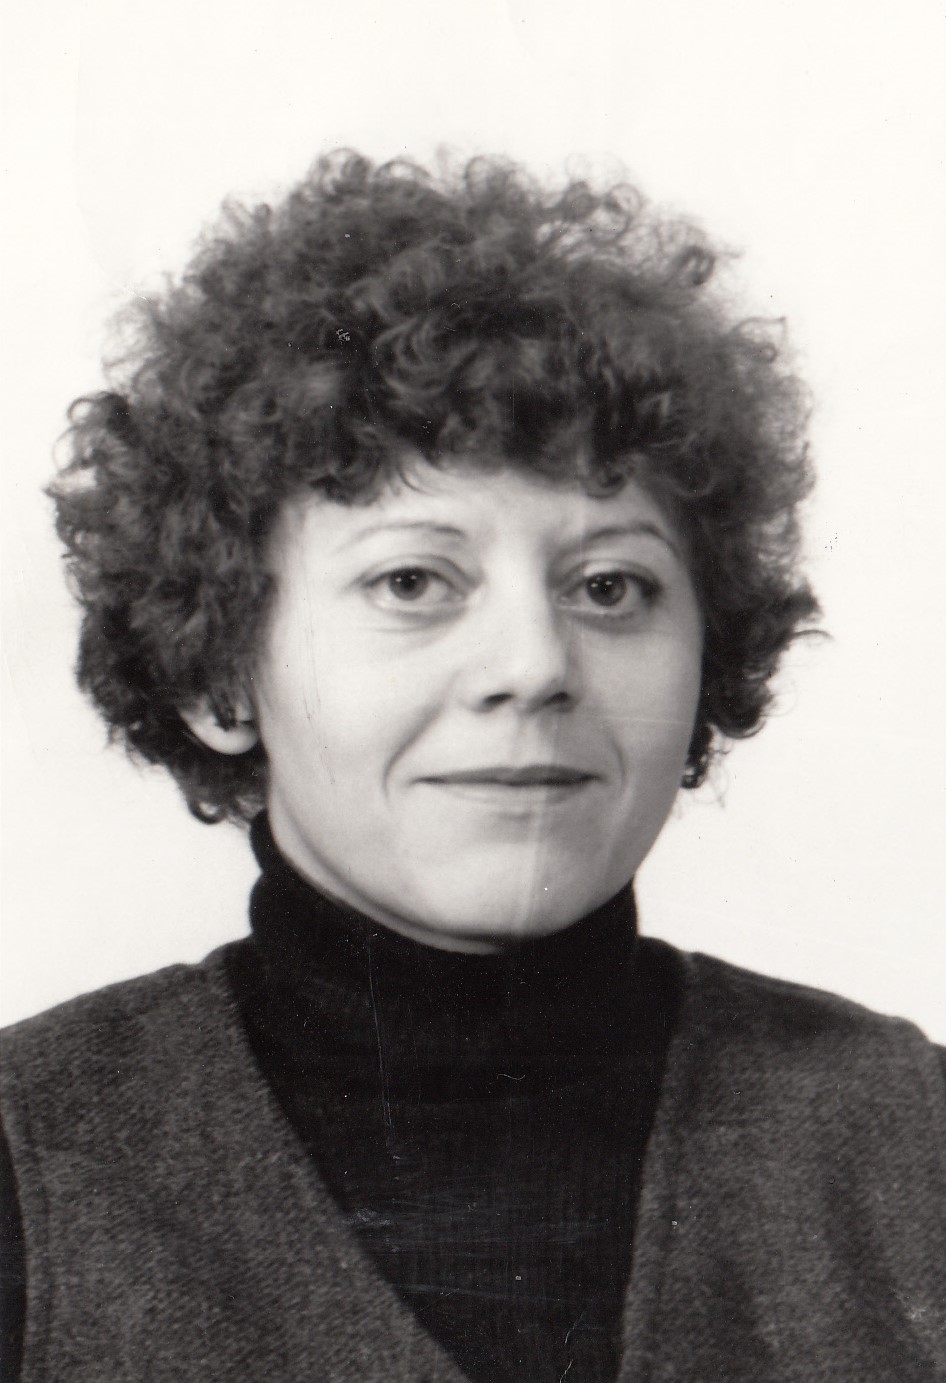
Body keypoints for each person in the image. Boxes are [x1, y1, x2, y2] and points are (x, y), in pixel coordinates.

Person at [1, 151, 943, 1382]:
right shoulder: (31, 1162)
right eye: (412, 581)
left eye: (611, 586)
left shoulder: (907, 1138)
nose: (534, 665)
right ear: (218, 672)